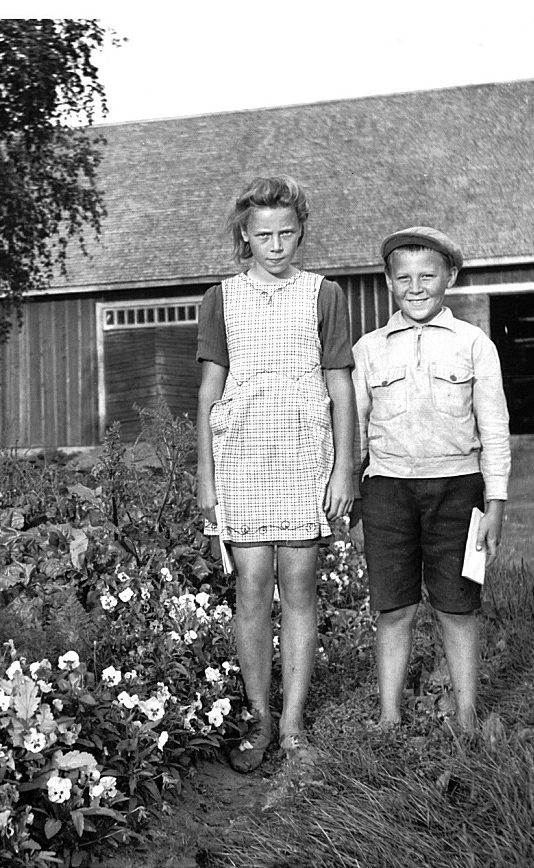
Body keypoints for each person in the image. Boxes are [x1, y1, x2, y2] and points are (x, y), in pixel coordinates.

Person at [196, 176, 357, 772]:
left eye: (287, 232)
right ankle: (259, 717)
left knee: (301, 592)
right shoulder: (221, 298)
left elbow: (340, 383)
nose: (276, 244)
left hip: (303, 455)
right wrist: (206, 480)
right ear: (245, 235)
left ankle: (292, 725)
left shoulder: (325, 295)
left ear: (301, 231)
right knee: (251, 593)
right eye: (263, 234)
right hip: (240, 458)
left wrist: (345, 468)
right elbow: (209, 392)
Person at [352, 226, 511, 735]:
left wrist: (497, 503)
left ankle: (466, 714)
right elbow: (355, 430)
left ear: (451, 277)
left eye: (428, 275)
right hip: (388, 490)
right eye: (403, 278)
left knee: (458, 606)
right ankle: (389, 715)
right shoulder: (368, 349)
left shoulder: (474, 345)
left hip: (459, 492)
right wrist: (352, 494)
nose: (416, 287)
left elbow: (495, 430)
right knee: (394, 607)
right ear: (388, 282)